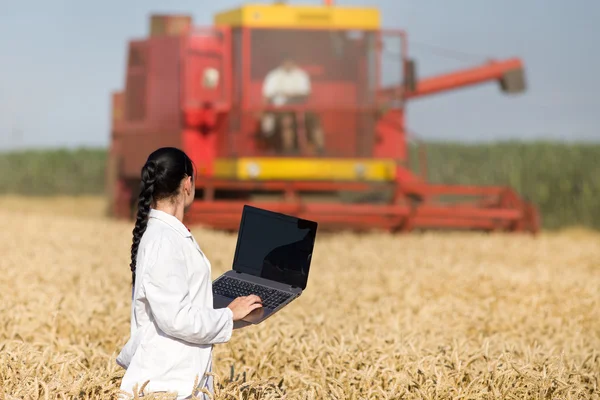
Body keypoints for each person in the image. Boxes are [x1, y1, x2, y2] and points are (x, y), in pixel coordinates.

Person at [116, 147, 263, 399]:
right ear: (187, 183)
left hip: (179, 381)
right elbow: (176, 319)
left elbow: (182, 309)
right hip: (168, 386)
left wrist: (239, 315)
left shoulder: (168, 235)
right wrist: (228, 314)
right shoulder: (163, 240)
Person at [261, 56, 325, 155]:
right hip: (280, 110)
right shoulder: (273, 76)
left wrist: (289, 96)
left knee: (314, 119)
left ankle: (320, 149)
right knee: (287, 121)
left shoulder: (301, 75)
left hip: (300, 109)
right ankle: (289, 151)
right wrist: (263, 112)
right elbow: (267, 97)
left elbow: (305, 94)